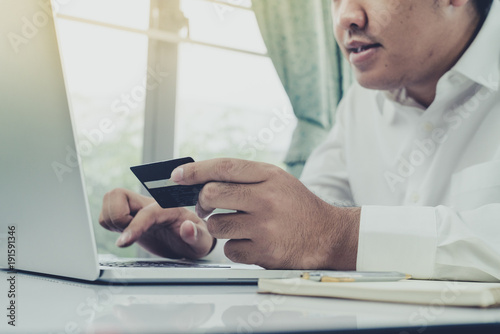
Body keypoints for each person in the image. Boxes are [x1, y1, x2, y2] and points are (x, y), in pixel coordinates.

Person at [99, 0, 500, 281]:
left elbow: (324, 233)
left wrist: (338, 236)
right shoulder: (361, 102)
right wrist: (206, 237)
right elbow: (299, 227)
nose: (346, 17)